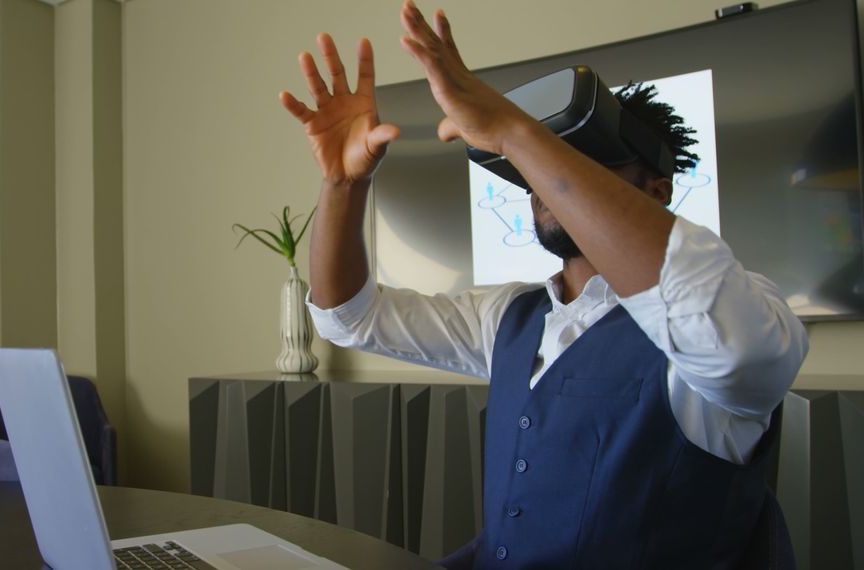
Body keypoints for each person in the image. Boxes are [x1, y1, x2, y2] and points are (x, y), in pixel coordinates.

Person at [280, 1, 808, 568]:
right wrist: (341, 185)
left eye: (586, 161)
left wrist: (515, 131)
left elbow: (727, 340)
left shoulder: (739, 314)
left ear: (656, 191)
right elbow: (349, 317)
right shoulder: (509, 316)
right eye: (540, 167)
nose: (546, 181)